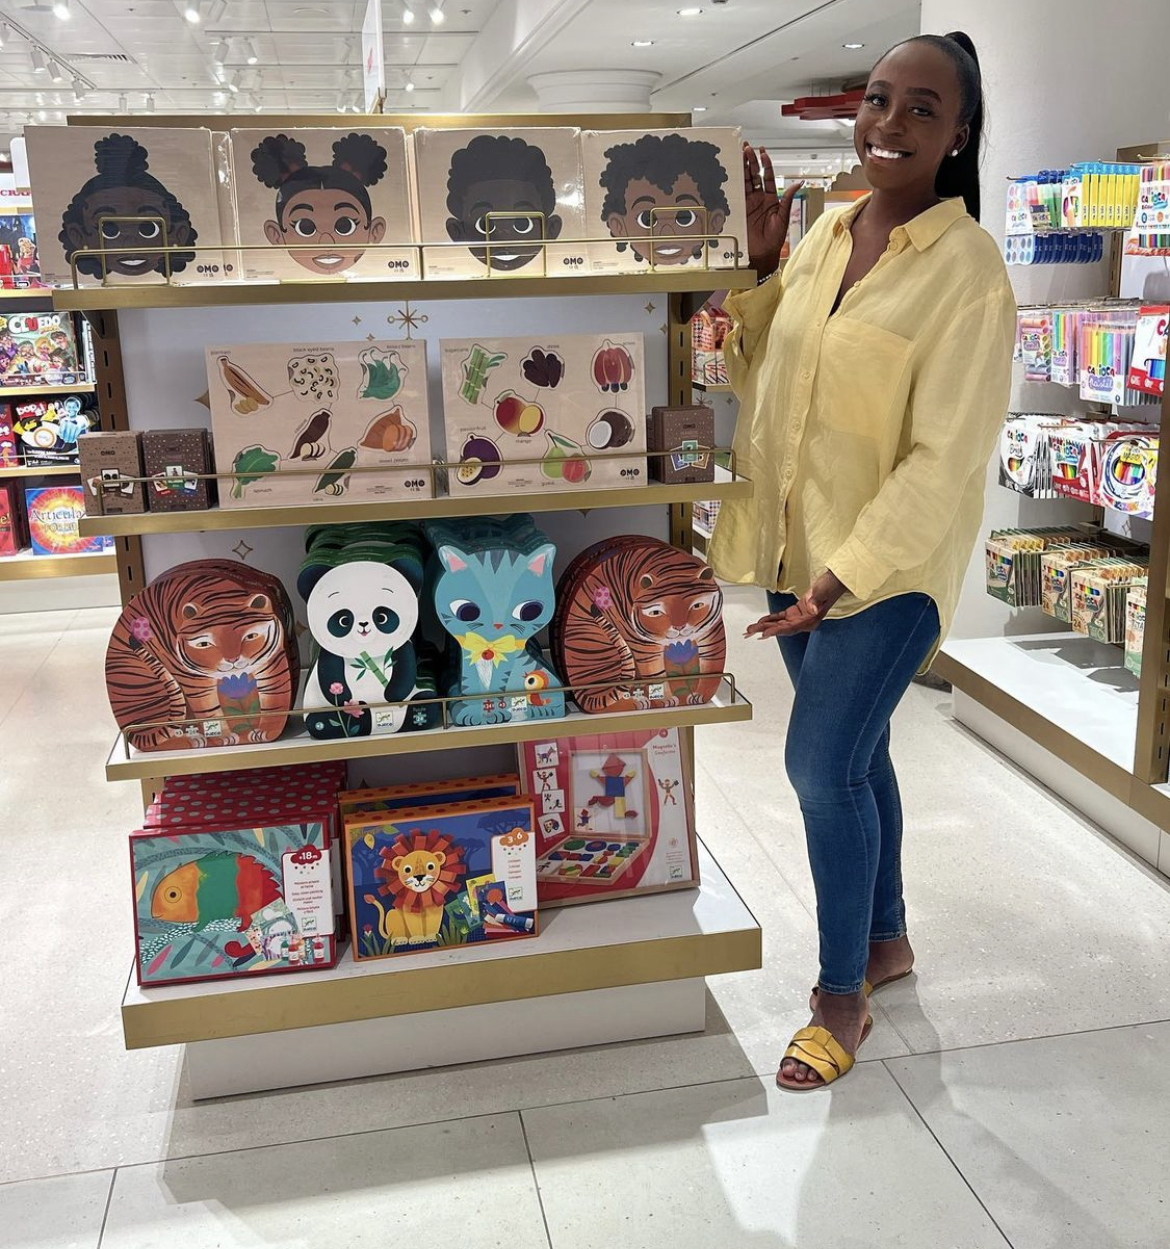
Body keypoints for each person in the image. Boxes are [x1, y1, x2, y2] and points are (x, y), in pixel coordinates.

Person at [707, 31, 1015, 1090]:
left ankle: (840, 998)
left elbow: (946, 455)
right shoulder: (827, 233)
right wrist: (755, 270)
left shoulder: (967, 272)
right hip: (798, 547)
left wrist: (840, 579)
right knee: (860, 755)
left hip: (885, 574)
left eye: (921, 108)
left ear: (958, 132)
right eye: (879, 100)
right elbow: (766, 378)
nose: (889, 124)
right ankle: (886, 938)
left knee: (818, 766)